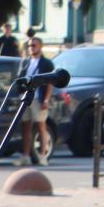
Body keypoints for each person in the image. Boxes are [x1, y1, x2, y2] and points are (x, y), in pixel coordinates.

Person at [19, 36, 60, 165]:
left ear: (40, 46)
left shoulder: (46, 63)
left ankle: (43, 156)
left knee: (41, 126)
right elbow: (20, 79)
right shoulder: (25, 62)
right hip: (27, 99)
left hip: (40, 99)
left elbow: (50, 83)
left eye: (34, 45)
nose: (31, 48)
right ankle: (25, 156)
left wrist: (46, 99)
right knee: (26, 126)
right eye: (30, 45)